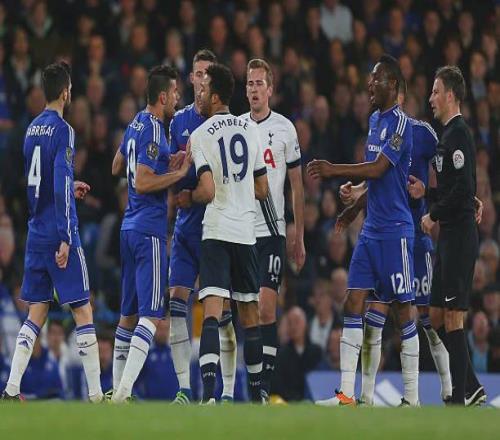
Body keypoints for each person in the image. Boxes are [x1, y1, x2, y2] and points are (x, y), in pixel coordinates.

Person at [308, 55, 419, 406]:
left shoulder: (402, 125)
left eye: (376, 79)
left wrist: (333, 169)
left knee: (403, 310)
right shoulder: (374, 120)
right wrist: (355, 207)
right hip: (371, 231)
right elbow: (377, 181)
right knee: (353, 301)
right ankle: (347, 395)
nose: (369, 84)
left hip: (396, 231)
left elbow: (379, 168)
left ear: (392, 84)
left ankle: (413, 398)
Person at [339, 79, 453, 404]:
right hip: (387, 236)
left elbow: (450, 172)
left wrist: (432, 196)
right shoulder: (378, 126)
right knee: (374, 317)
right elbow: (380, 181)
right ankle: (364, 396)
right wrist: (357, 199)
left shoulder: (423, 133)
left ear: (399, 96)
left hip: (414, 239)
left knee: (427, 318)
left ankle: (448, 388)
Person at [1, 62, 103, 402]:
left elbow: (39, 182)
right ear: (65, 92)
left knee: (37, 311)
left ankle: (11, 387)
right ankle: (96, 395)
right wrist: (66, 236)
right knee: (83, 309)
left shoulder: (31, 129)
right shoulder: (64, 131)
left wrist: (68, 186)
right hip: (59, 231)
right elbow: (57, 183)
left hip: (35, 232)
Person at [177, 63, 269, 403]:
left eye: (203, 91)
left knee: (212, 314)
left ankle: (209, 396)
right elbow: (262, 188)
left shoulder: (200, 135)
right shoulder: (251, 130)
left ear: (215, 97)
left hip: (217, 231)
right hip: (246, 232)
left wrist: (188, 198)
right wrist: (241, 189)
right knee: (250, 316)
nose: (198, 96)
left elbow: (208, 190)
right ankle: (258, 396)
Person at [110, 65, 191, 403]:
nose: (177, 98)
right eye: (174, 93)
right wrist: (178, 174)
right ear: (162, 96)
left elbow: (117, 166)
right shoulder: (156, 129)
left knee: (127, 315)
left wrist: (164, 162)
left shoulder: (135, 123)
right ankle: (124, 391)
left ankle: (116, 390)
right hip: (149, 231)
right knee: (152, 315)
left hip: (129, 228)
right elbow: (143, 181)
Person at [168, 49, 237, 404]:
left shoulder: (226, 123)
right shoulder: (178, 122)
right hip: (185, 230)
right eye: (198, 74)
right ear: (191, 78)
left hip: (215, 229)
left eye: (208, 74)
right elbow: (169, 173)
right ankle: (184, 387)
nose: (202, 81)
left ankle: (228, 391)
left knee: (221, 313)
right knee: (176, 303)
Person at [241, 58, 305, 401]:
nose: (254, 89)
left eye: (259, 84)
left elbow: (297, 186)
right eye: (249, 84)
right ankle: (250, 387)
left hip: (272, 232)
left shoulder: (285, 129)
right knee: (246, 313)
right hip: (240, 233)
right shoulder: (236, 126)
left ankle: (264, 387)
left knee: (266, 309)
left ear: (270, 89)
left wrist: (299, 235)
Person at [422, 65, 486, 406]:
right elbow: (457, 189)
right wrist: (426, 193)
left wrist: (433, 214)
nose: (430, 98)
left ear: (450, 95)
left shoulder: (459, 134)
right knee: (435, 316)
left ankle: (460, 399)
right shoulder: (447, 136)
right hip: (449, 237)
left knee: (453, 317)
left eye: (435, 91)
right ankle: (472, 387)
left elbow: (462, 190)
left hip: (459, 237)